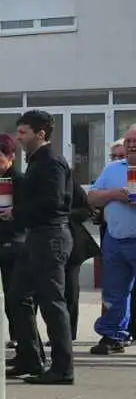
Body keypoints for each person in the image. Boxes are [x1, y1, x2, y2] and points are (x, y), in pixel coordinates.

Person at [4, 110, 74, 384]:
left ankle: (62, 368)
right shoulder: (37, 160)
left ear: (40, 133)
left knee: (52, 302)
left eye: (23, 132)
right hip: (36, 237)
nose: (18, 138)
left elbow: (53, 202)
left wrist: (16, 212)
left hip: (50, 236)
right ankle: (30, 357)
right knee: (17, 296)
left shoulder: (51, 162)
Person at [86, 123, 136, 354]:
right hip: (115, 239)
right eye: (128, 141)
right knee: (115, 292)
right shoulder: (113, 169)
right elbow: (92, 197)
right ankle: (113, 335)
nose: (131, 145)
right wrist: (115, 194)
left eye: (135, 141)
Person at [0, 134, 24, 351]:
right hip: (0, 242)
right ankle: (16, 335)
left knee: (16, 295)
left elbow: (28, 209)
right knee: (6, 294)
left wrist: (14, 213)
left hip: (15, 242)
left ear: (11, 156)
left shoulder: (18, 180)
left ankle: (22, 338)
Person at [66, 182, 99, 341]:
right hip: (45, 242)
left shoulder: (70, 184)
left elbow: (88, 211)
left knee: (70, 289)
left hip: (73, 245)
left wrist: (63, 215)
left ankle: (69, 332)